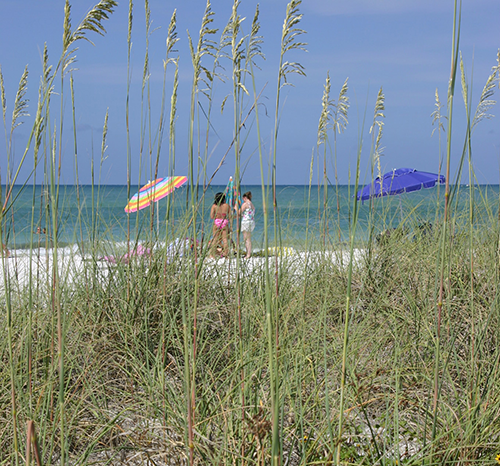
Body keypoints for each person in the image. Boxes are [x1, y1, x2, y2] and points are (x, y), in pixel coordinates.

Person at [210, 192, 230, 258]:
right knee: (225, 239)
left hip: (217, 222)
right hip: (224, 222)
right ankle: (226, 254)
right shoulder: (227, 206)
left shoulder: (214, 206)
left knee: (215, 239)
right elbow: (230, 216)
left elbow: (212, 216)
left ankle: (212, 254)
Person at [240, 191, 255, 259]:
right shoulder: (252, 204)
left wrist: (235, 208)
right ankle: (248, 253)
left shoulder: (245, 204)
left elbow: (239, 212)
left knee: (246, 239)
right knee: (248, 238)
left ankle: (248, 254)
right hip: (251, 222)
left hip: (246, 222)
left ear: (245, 198)